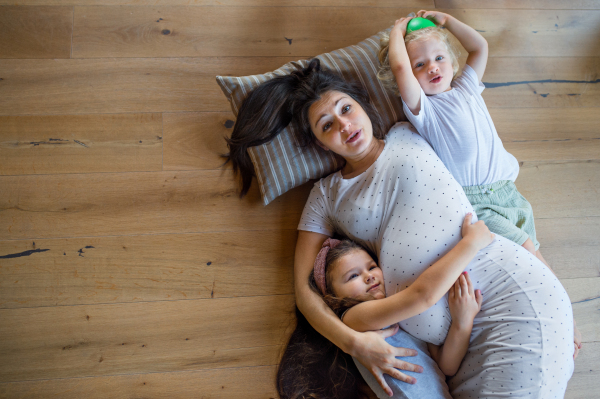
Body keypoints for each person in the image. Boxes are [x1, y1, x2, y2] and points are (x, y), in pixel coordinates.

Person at [226, 59, 575, 398]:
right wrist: (354, 342)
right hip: (456, 344)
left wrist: (547, 270)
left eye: (345, 109)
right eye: (326, 125)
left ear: (362, 104)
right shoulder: (325, 196)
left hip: (503, 296)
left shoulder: (409, 131)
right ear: (320, 143)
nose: (344, 126)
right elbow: (305, 292)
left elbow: (481, 179)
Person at [377, 9, 582, 358]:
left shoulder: (466, 87)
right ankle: (566, 321)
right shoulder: (423, 108)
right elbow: (398, 67)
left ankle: (535, 320)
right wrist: (396, 32)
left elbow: (480, 47)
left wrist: (448, 22)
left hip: (509, 193)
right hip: (478, 202)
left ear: (452, 62)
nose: (433, 68)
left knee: (527, 256)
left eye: (439, 58)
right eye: (420, 66)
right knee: (532, 254)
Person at [278, 215, 491, 399]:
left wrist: (462, 323)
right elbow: (420, 296)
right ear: (334, 298)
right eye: (353, 276)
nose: (368, 276)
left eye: (371, 266)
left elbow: (446, 365)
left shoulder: (402, 322)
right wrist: (471, 243)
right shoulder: (354, 318)